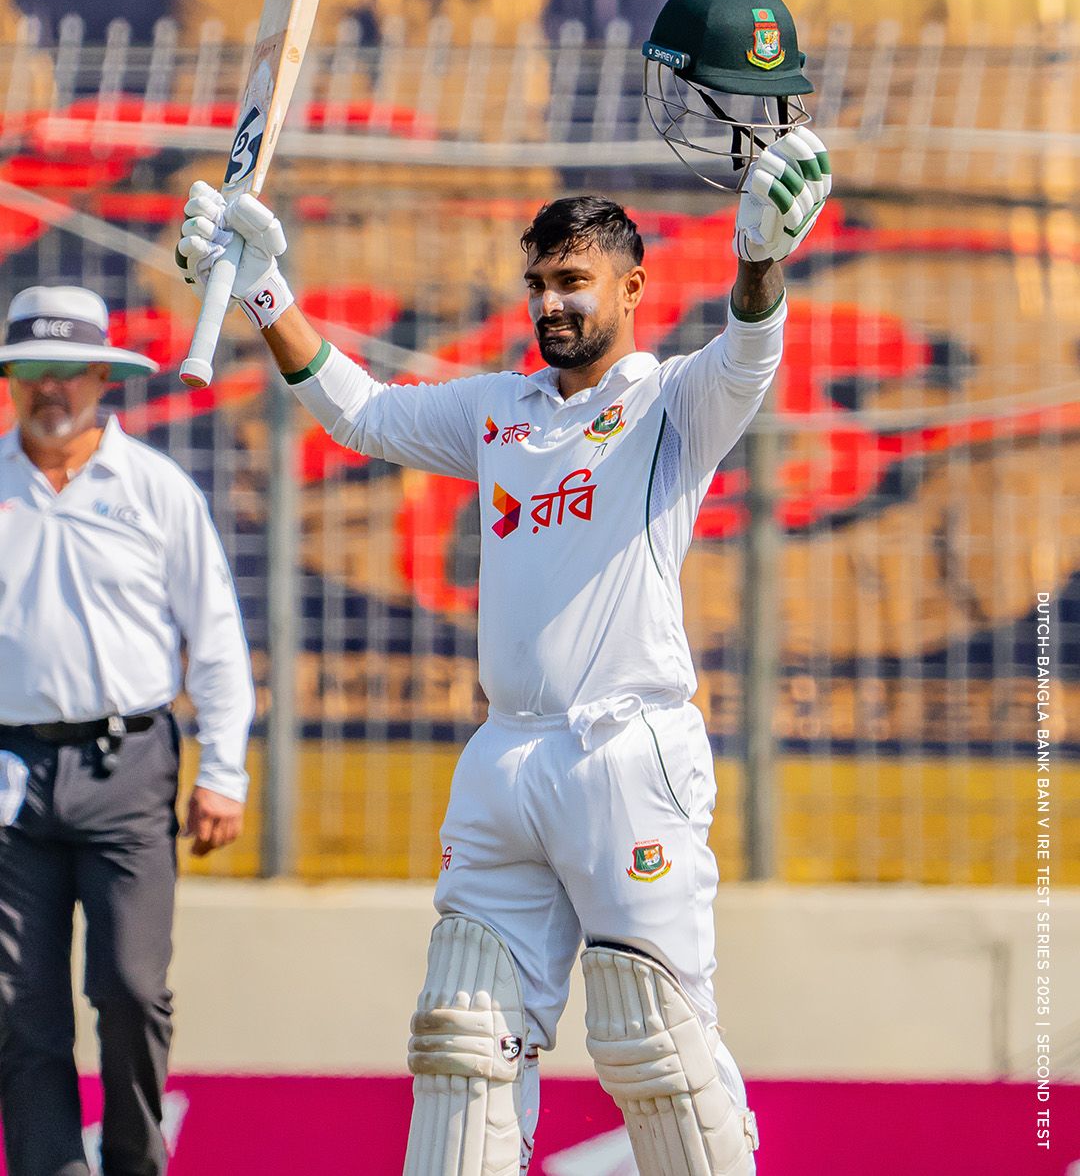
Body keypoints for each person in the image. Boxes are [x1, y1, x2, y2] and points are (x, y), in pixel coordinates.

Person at [177, 118, 827, 1172]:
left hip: (626, 753)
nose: (551, 303)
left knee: (658, 1043)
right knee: (462, 1047)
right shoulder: (499, 412)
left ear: (632, 288)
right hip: (504, 757)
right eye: (538, 284)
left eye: (574, 281)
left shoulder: (671, 403)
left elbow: (752, 348)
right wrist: (263, 292)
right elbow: (362, 415)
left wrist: (758, 256)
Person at [0, 286, 255, 1176]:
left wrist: (224, 773)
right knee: (19, 1004)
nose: (52, 387)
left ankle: (135, 1164)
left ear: (102, 378)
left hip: (129, 764)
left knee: (133, 989)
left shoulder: (155, 489)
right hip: (9, 771)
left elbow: (215, 638)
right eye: (34, 369)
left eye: (69, 369)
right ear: (12, 380)